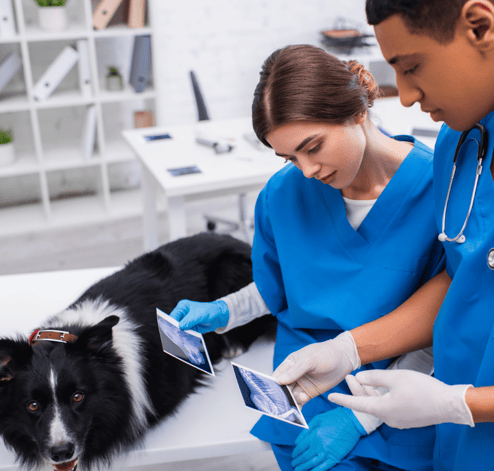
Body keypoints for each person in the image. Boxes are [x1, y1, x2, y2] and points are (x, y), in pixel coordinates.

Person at [170, 44, 445, 471]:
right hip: (304, 389)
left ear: (356, 111)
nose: (307, 170)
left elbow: (440, 325)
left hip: (406, 386)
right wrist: (223, 311)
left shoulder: (439, 194)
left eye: (313, 146)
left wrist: (361, 415)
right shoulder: (282, 195)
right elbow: (281, 288)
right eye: (289, 157)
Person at [271, 2, 494, 470]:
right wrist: (347, 351)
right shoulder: (460, 142)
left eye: (412, 66)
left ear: (481, 26)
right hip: (461, 436)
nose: (407, 96)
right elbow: (463, 277)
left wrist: (463, 404)